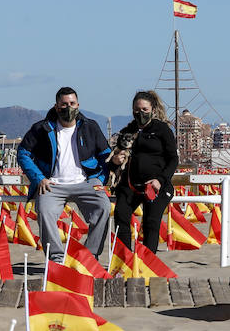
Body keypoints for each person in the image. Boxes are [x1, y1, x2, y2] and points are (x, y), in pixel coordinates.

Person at [18, 87, 113, 264]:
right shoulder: (41, 128)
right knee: (44, 211)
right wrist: (38, 178)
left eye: (72, 104)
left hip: (86, 182)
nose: (68, 108)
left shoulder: (90, 127)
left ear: (78, 105)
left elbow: (106, 154)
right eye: (63, 104)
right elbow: (23, 152)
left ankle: (91, 256)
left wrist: (100, 179)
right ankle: (56, 258)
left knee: (104, 207)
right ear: (56, 106)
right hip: (52, 184)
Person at [110, 90, 177, 255]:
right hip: (131, 186)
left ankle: (147, 262)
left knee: (151, 222)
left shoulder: (162, 130)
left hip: (156, 186)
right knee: (120, 216)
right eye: (137, 110)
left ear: (153, 110)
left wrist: (160, 180)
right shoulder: (128, 130)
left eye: (145, 110)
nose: (141, 113)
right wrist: (116, 159)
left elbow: (173, 159)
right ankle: (124, 259)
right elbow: (117, 154)